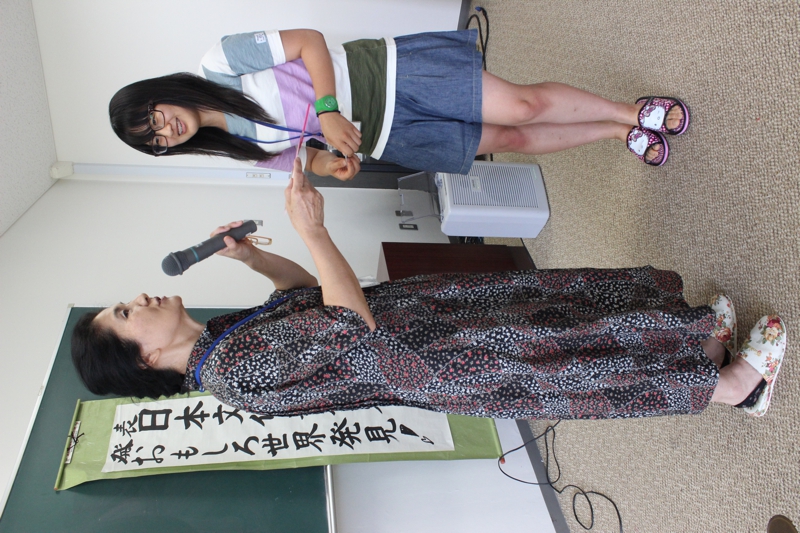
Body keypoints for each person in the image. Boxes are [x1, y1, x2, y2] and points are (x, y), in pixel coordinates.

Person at [72, 158, 785, 420]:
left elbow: (306, 299)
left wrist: (254, 259)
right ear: (143, 358)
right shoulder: (231, 371)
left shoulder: (220, 341)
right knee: (568, 355)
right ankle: (732, 388)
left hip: (428, 324)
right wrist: (314, 230)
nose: (141, 298)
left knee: (557, 311)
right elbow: (347, 324)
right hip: (437, 357)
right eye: (127, 313)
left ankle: (694, 337)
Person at [109, 29, 689, 181]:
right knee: (509, 141)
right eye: (154, 139)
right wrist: (331, 164)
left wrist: (328, 108)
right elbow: (303, 159)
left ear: (161, 94)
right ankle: (616, 133)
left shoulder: (219, 62)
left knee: (520, 107)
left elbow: (309, 42)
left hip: (385, 75)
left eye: (154, 117)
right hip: (388, 137)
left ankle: (626, 109)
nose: (166, 129)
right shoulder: (236, 148)